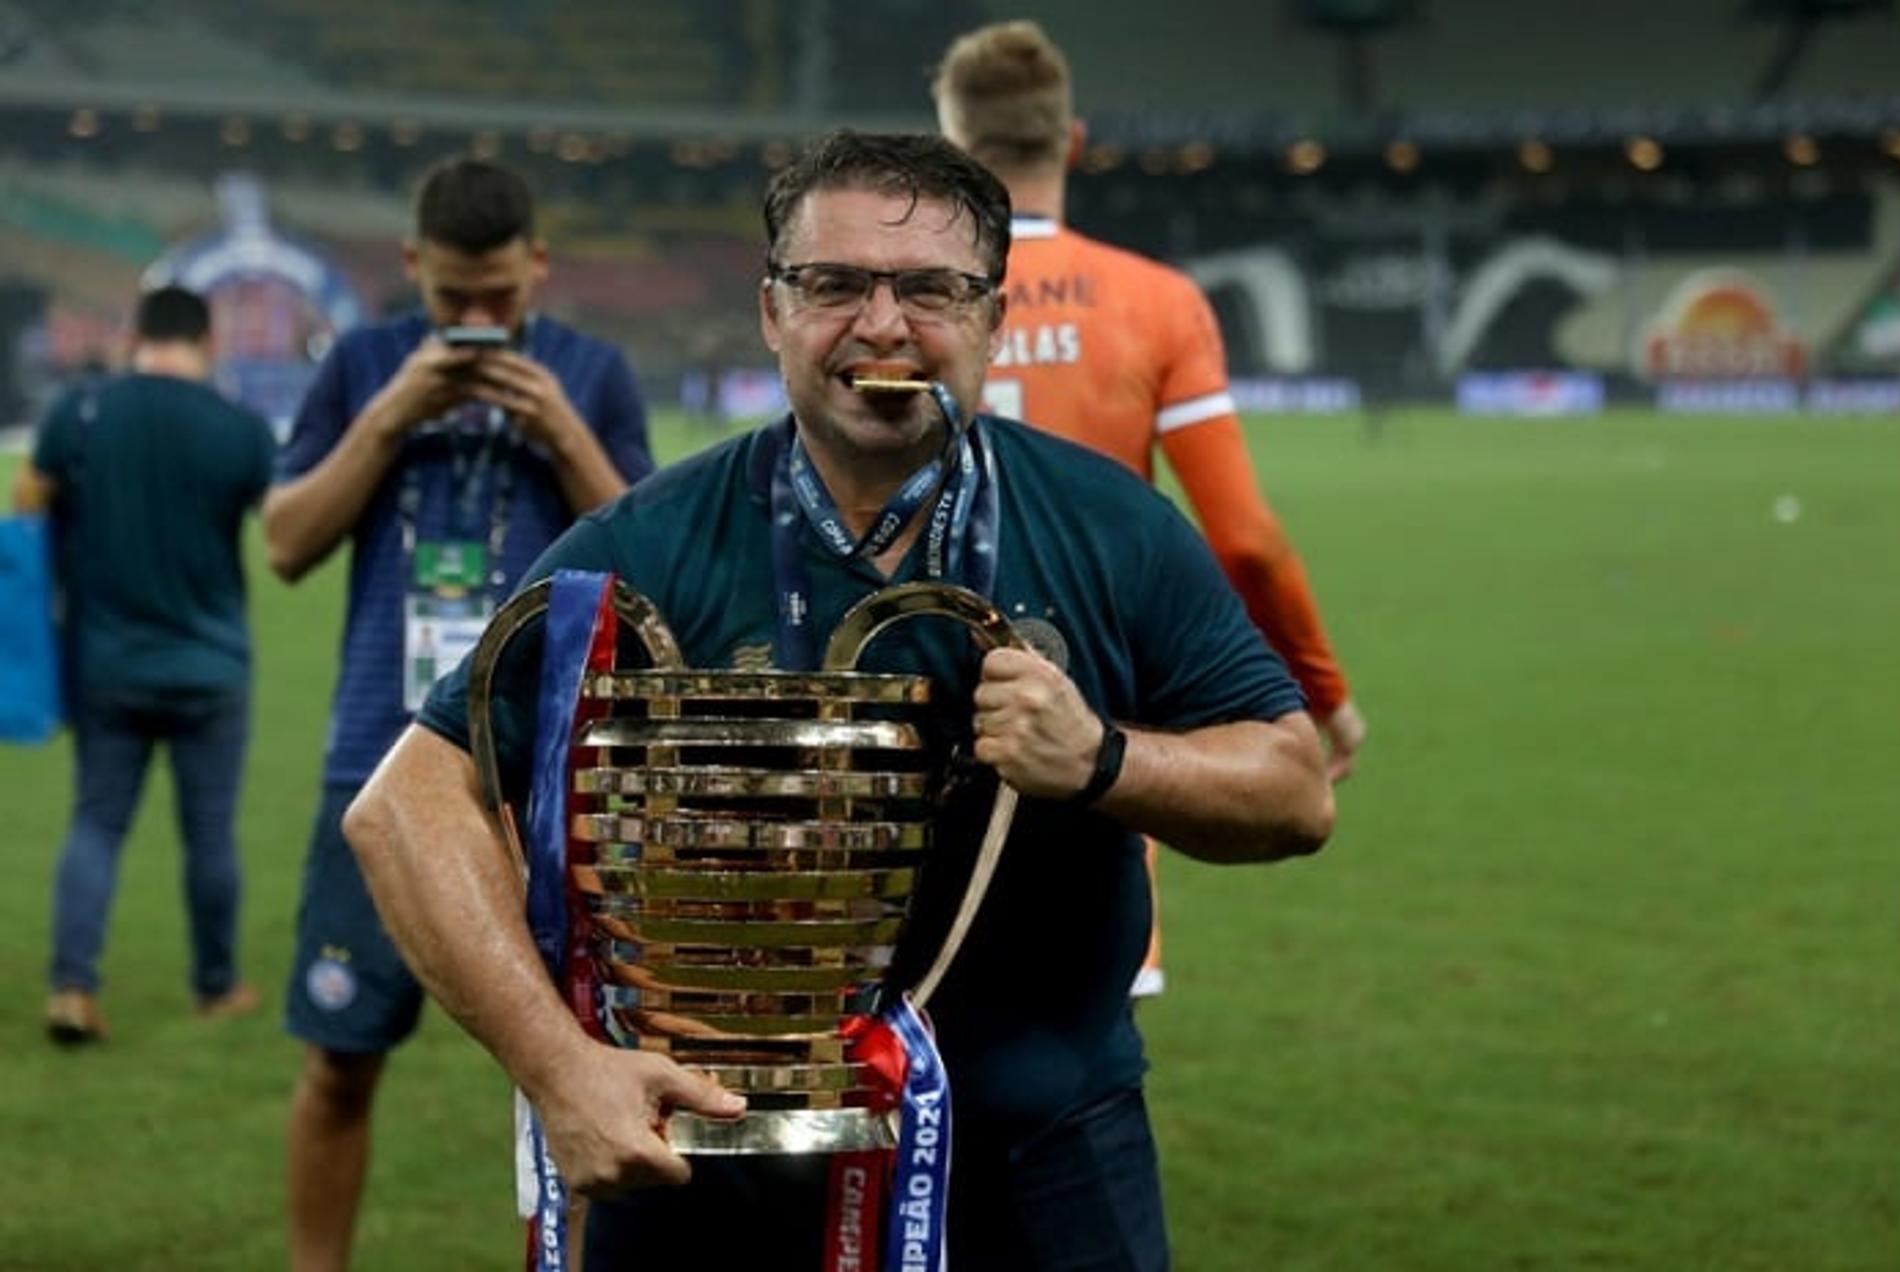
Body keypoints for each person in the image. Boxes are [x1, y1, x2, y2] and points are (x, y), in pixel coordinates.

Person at [343, 131, 1335, 1271]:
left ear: (992, 318)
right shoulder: (648, 542)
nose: (882, 325)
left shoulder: (1110, 527)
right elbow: (405, 806)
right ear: (772, 311)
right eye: (833, 285)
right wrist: (558, 1066)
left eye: (930, 289)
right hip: (707, 1164)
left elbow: (1294, 789)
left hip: (1045, 1162)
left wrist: (1108, 761)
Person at [264, 156, 654, 1272]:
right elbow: (287, 543)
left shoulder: (594, 370)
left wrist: (562, 430)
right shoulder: (361, 366)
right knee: (340, 1056)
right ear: (411, 271)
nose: (479, 322)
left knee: (583, 1061)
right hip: (377, 761)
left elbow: (647, 560)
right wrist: (389, 415)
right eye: (453, 301)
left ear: (538, 266)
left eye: (499, 298)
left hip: (556, 768)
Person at [933, 19, 1369, 997]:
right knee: (1079, 1042)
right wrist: (1321, 692)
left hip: (919, 678)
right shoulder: (1156, 301)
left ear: (956, 147)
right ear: (1073, 141)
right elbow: (1246, 543)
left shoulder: (919, 297)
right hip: (1086, 700)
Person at [14, 285, 275, 1045]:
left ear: (134, 337)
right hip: (211, 661)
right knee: (211, 835)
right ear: (209, 341)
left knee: (95, 823)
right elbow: (280, 531)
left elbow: (29, 499)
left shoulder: (82, 411)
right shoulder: (239, 428)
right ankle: (217, 986)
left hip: (107, 660)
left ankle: (72, 986)